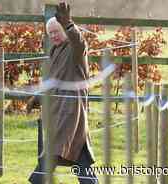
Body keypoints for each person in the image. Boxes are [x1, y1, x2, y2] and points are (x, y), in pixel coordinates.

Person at [27, 2, 99, 184]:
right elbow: (54, 79)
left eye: (56, 31)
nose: (53, 36)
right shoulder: (55, 50)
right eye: (50, 33)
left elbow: (80, 42)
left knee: (50, 156)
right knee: (79, 157)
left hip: (71, 112)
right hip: (59, 111)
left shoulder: (76, 50)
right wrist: (38, 97)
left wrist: (69, 25)